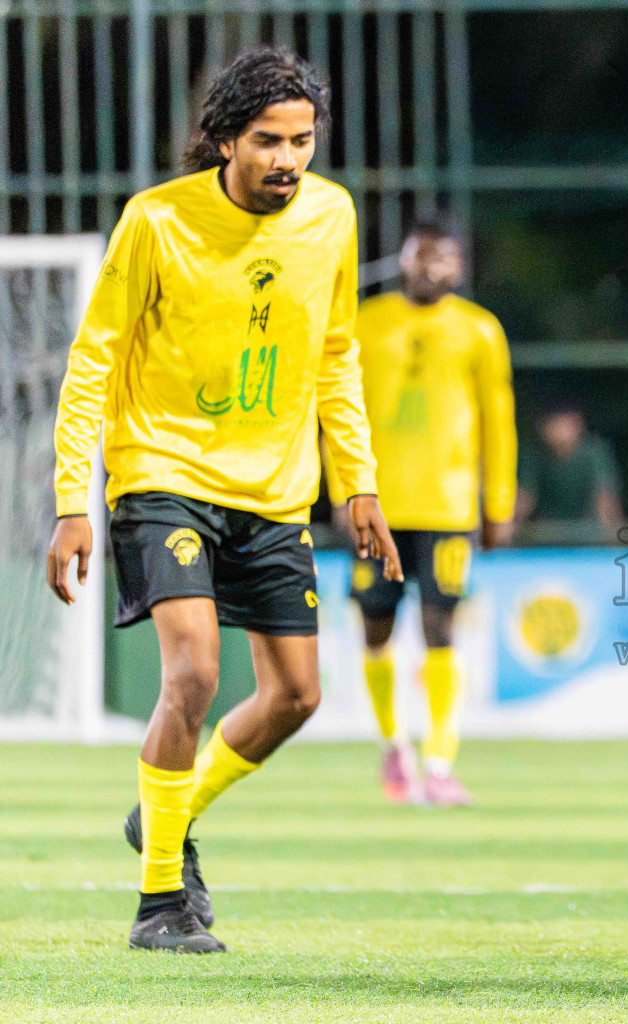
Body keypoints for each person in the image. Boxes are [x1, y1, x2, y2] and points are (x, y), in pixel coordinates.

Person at [46, 48, 401, 953]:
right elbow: (93, 361)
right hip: (162, 475)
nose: (288, 159)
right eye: (268, 141)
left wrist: (354, 480)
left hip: (275, 492)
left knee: (297, 696)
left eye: (303, 142)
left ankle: (163, 813)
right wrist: (71, 500)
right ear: (223, 142)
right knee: (196, 672)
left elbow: (335, 357)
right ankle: (160, 899)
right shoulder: (156, 222)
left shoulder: (331, 216)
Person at [335, 215, 516, 807]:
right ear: (402, 259)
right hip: (377, 505)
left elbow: (498, 418)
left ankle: (438, 761)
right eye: (420, 256)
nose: (430, 267)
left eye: (442, 259)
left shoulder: (479, 330)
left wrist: (500, 501)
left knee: (440, 628)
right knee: (376, 629)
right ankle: (393, 746)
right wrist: (341, 490)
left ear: (458, 267)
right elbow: (333, 411)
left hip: (448, 505)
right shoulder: (365, 322)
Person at [514, 404, 622, 535]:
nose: (560, 430)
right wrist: (509, 531)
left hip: (589, 532)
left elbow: (605, 499)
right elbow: (525, 498)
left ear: (578, 424)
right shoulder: (534, 454)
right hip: (547, 532)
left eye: (565, 423)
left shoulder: (595, 451)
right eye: (554, 423)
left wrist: (614, 537)